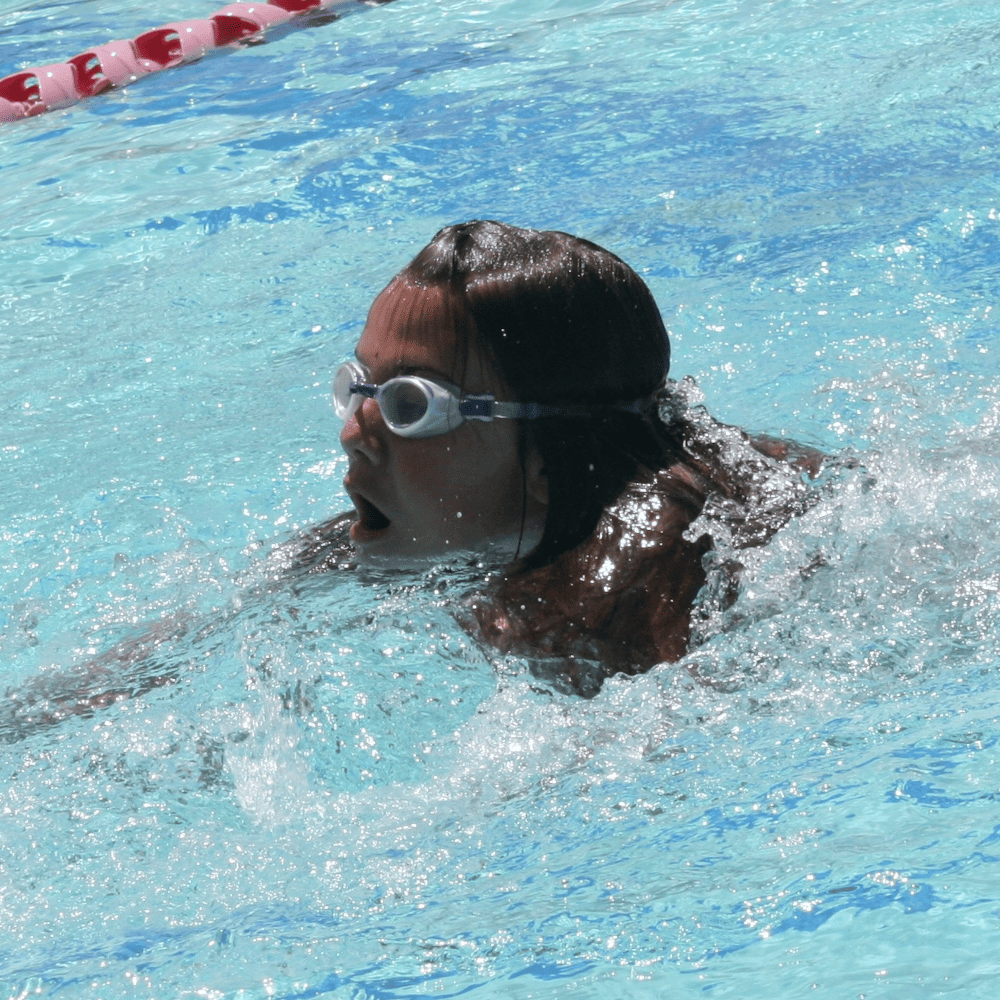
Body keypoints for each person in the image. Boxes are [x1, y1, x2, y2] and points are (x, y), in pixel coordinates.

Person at [294, 219, 825, 695]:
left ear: (546, 467)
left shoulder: (631, 623)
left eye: (409, 405)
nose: (352, 435)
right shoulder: (348, 547)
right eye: (357, 388)